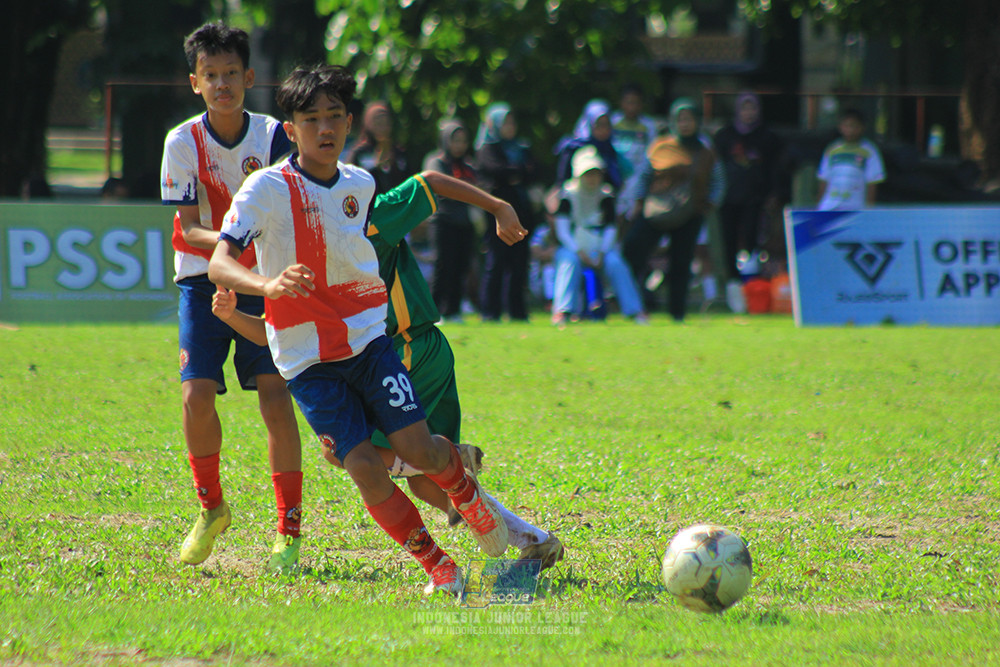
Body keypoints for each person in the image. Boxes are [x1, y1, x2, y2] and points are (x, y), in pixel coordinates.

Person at [207, 63, 510, 597]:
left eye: (334, 116)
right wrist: (266, 284)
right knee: (364, 467)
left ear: (350, 123)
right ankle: (438, 565)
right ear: (291, 128)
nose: (324, 128)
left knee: (421, 451)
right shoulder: (265, 189)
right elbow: (219, 262)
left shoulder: (361, 185)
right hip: (307, 364)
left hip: (369, 346)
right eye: (310, 119)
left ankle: (464, 491)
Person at [213, 168, 565, 570]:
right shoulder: (297, 248)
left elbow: (430, 181)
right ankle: (533, 539)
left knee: (366, 456)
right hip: (376, 355)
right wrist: (233, 315)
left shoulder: (369, 215)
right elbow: (278, 332)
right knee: (419, 478)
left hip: (407, 349)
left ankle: (460, 479)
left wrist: (498, 205)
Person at [159, 22, 303, 573]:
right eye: (210, 75)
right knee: (195, 396)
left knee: (275, 396)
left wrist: (248, 258)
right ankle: (211, 508)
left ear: (249, 77)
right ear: (194, 82)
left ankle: (288, 529)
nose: (222, 84)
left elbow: (287, 211)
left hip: (263, 280)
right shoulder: (181, 142)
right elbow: (187, 226)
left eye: (231, 73)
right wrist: (232, 245)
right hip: (202, 280)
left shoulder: (273, 137)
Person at [623, 98, 724, 322]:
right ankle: (635, 305)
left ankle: (677, 313)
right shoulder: (660, 145)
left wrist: (708, 205)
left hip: (690, 214)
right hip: (656, 210)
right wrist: (638, 202)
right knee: (632, 252)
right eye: (680, 120)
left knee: (681, 262)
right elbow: (644, 175)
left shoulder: (706, 152)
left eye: (689, 119)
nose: (685, 124)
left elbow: (718, 182)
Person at [550, 146, 647, 326]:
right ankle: (562, 311)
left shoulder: (606, 194)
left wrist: (602, 251)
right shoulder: (567, 194)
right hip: (574, 247)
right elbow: (563, 230)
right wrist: (578, 251)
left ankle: (635, 311)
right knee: (568, 262)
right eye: (587, 174)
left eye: (595, 173)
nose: (592, 178)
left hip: (600, 248)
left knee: (616, 263)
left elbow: (610, 227)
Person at [713, 92, 785, 309]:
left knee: (753, 241)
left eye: (752, 108)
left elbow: (775, 168)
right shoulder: (724, 136)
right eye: (744, 108)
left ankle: (752, 288)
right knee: (729, 242)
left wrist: (774, 194)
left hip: (755, 199)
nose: (748, 113)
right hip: (728, 198)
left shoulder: (768, 138)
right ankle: (733, 287)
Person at [475, 102, 540, 322]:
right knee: (496, 261)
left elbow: (533, 170)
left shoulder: (521, 147)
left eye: (512, 122)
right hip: (496, 214)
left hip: (521, 212)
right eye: (505, 123)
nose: (510, 127)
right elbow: (494, 170)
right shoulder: (487, 148)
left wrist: (512, 174)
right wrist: (516, 173)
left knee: (519, 263)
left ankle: (517, 312)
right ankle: (490, 312)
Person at [423, 120, 478, 323]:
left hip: (464, 222)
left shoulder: (468, 166)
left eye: (463, 141)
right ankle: (434, 311)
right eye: (455, 140)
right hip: (442, 221)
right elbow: (439, 187)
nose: (459, 145)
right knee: (443, 266)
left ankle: (453, 311)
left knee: (460, 267)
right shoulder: (435, 161)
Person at [816, 108, 886, 211]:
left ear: (862, 127)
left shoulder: (869, 151)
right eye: (846, 126)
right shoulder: (832, 149)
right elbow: (824, 179)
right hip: (830, 206)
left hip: (855, 207)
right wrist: (819, 207)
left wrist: (868, 210)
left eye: (854, 126)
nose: (850, 130)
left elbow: (872, 182)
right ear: (840, 127)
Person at [611, 83, 660, 217]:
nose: (632, 107)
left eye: (636, 103)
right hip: (617, 173)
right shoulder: (613, 122)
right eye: (628, 102)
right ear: (621, 103)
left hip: (638, 174)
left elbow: (653, 151)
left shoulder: (648, 125)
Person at [553, 99, 624, 191]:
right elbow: (562, 181)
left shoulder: (610, 149)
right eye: (599, 125)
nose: (604, 129)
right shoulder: (574, 147)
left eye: (607, 124)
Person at [345, 101, 411, 195]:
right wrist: (376, 167)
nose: (382, 127)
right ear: (368, 123)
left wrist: (393, 166)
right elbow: (349, 183)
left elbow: (407, 183)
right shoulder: (359, 153)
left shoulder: (399, 153)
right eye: (378, 122)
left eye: (385, 122)